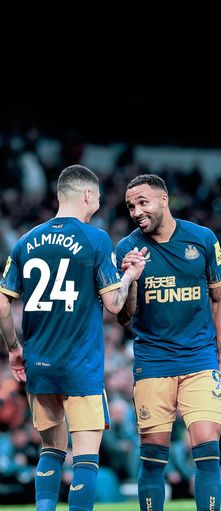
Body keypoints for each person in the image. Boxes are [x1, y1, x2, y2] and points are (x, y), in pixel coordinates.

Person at [0, 165, 146, 511]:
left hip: (40, 366)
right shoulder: (95, 238)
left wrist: (14, 348)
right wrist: (129, 277)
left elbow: (3, 300)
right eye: (96, 194)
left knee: (50, 450)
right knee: (85, 458)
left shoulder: (25, 242)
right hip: (80, 365)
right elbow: (113, 304)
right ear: (87, 195)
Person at [116, 174, 221, 511]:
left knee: (208, 451)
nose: (137, 211)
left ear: (163, 199)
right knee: (153, 459)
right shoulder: (126, 249)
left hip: (200, 359)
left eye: (143, 202)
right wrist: (131, 279)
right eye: (130, 206)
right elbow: (124, 317)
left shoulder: (202, 239)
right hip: (153, 362)